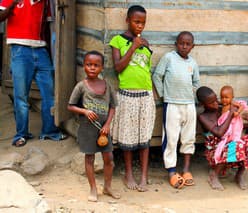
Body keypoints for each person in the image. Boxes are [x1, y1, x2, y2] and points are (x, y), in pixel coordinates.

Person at [0, 0, 66, 147]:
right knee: (21, 96)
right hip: (19, 49)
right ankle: (21, 134)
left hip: (41, 50)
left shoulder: (45, 3)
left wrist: (50, 52)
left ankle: (49, 131)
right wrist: (12, 5)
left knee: (49, 94)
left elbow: (47, 29)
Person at [110, 5, 155, 192]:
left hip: (145, 95)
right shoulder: (117, 41)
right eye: (137, 21)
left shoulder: (145, 43)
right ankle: (128, 173)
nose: (140, 26)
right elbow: (118, 67)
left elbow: (146, 70)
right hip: (127, 95)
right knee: (128, 138)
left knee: (144, 138)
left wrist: (141, 45)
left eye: (143, 22)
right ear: (127, 20)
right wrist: (134, 46)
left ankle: (144, 175)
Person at [68, 50, 120, 202]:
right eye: (89, 64)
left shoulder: (107, 85)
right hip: (87, 128)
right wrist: (84, 111)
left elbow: (112, 106)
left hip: (103, 129)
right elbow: (70, 106)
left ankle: (108, 187)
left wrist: (108, 124)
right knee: (89, 158)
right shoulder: (81, 86)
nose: (92, 68)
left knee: (109, 158)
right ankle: (93, 188)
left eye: (96, 65)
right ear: (84, 66)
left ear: (102, 68)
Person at [152, 31, 200, 189]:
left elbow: (196, 82)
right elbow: (157, 76)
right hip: (171, 104)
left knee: (189, 137)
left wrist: (189, 94)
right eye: (181, 43)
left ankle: (186, 169)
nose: (184, 46)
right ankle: (172, 171)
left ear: (192, 46)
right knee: (171, 138)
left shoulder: (192, 63)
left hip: (189, 105)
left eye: (188, 44)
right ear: (176, 44)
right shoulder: (169, 58)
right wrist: (164, 96)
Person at [197, 86, 248, 190]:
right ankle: (214, 176)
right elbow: (220, 133)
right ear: (203, 104)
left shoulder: (223, 107)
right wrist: (230, 114)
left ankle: (239, 175)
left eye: (216, 99)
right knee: (237, 145)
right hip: (216, 149)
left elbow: (235, 128)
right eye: (212, 102)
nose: (216, 103)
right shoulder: (203, 117)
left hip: (230, 141)